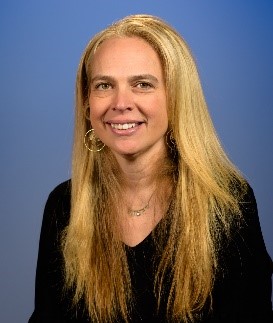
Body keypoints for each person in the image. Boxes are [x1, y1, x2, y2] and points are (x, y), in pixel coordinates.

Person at [28, 14, 272, 323]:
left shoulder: (227, 201)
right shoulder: (64, 204)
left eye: (142, 85)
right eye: (104, 85)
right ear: (87, 103)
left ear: (176, 98)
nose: (121, 103)